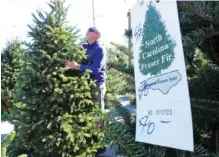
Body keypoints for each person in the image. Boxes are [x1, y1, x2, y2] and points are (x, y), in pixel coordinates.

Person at [64, 26, 106, 112]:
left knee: (97, 113)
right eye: (89, 30)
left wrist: (77, 66)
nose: (89, 31)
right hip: (84, 84)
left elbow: (95, 70)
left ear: (98, 35)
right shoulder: (83, 47)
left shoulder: (99, 49)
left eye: (92, 30)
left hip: (96, 85)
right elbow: (70, 48)